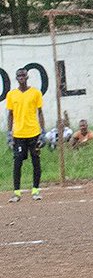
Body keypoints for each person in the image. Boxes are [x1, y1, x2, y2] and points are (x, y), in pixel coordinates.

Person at [6, 67, 45, 202]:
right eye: (19, 76)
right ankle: (17, 192)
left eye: (23, 75)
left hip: (34, 132)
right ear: (16, 78)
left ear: (27, 77)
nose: (21, 78)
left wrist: (42, 132)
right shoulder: (11, 95)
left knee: (36, 161)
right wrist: (9, 134)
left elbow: (40, 112)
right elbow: (10, 114)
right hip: (19, 134)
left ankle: (35, 190)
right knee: (17, 162)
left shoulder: (35, 93)